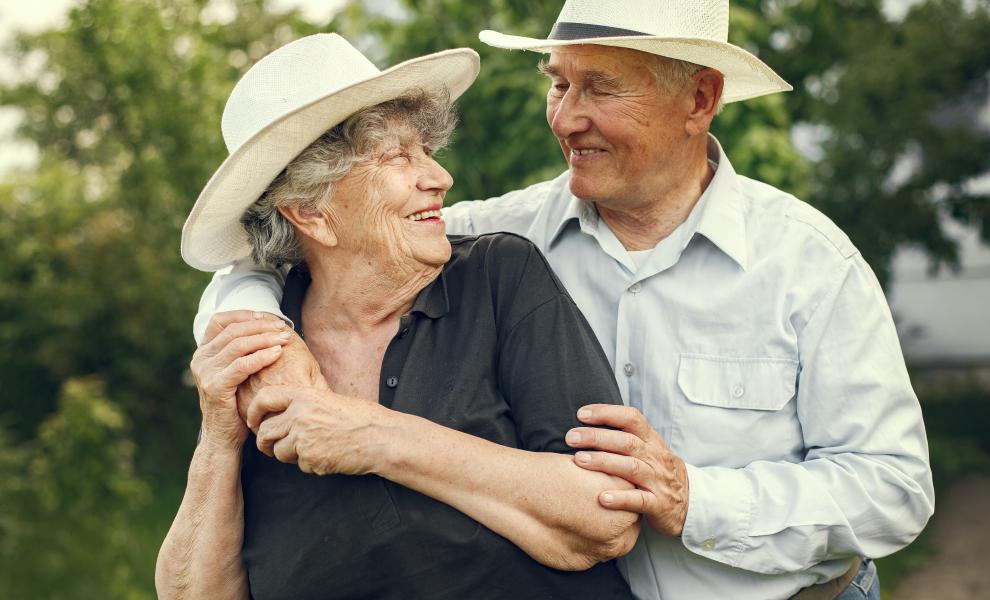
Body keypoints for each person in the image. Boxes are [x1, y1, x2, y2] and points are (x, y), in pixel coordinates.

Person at [196, 2, 936, 598]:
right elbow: (304, 245)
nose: (565, 117)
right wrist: (266, 338)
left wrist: (692, 499)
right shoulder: (498, 238)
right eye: (559, 82)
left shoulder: (807, 262)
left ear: (700, 98)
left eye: (602, 88)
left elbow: (894, 487)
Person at [156, 33, 640, 600]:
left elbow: (606, 518)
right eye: (396, 157)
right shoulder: (263, 353)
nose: (438, 178)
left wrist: (376, 439)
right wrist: (218, 436)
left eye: (426, 151)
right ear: (312, 212)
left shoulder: (496, 277)